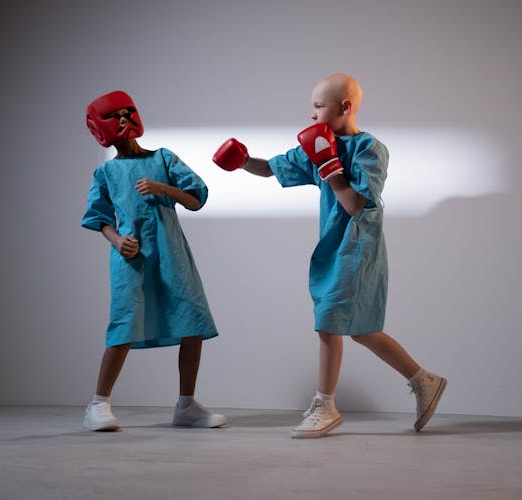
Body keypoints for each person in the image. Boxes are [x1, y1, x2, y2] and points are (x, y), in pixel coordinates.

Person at [213, 73, 447, 438]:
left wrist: (331, 168)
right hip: (332, 249)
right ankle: (424, 380)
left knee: (327, 322)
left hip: (358, 249)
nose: (311, 115)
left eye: (318, 107)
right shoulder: (318, 144)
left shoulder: (370, 149)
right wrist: (243, 160)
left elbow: (355, 205)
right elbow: (274, 167)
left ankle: (326, 404)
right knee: (364, 332)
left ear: (345, 107)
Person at [81, 90, 226, 431]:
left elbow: (196, 198)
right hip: (131, 259)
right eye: (114, 115)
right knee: (124, 324)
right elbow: (98, 217)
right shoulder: (106, 173)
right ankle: (97, 404)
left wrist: (164, 189)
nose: (123, 119)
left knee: (192, 323)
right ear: (102, 127)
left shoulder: (163, 158)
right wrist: (117, 241)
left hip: (171, 254)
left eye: (126, 112)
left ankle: (186, 406)